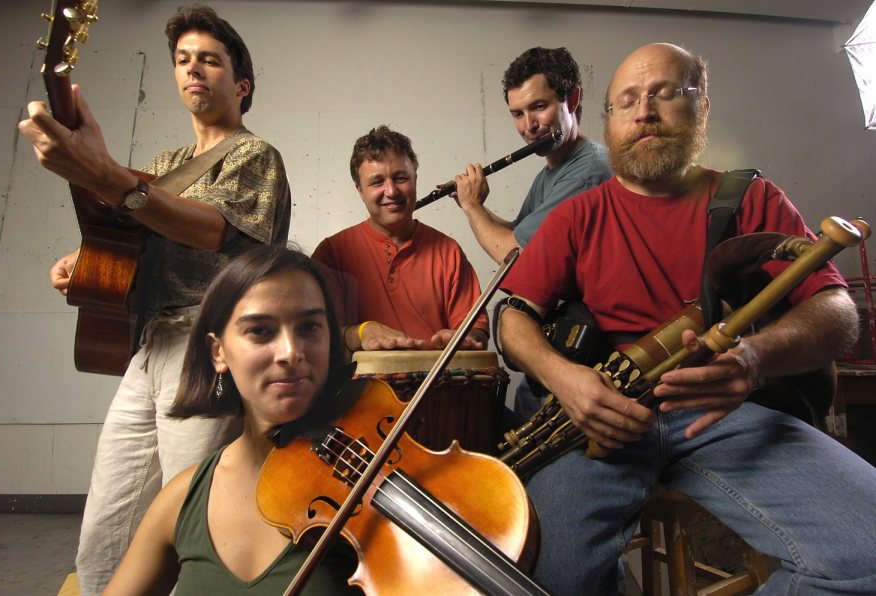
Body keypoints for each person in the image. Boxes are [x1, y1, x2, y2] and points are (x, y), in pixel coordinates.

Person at [499, 42, 876, 594]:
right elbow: (513, 318)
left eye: (665, 94)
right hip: (599, 415)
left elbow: (836, 310)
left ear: (701, 106)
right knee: (541, 581)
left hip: (725, 413)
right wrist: (565, 379)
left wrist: (753, 358)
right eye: (627, 101)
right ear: (608, 121)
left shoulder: (751, 197)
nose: (644, 111)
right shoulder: (578, 213)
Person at [18, 6, 291, 593]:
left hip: (207, 347)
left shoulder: (254, 156)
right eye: (183, 59)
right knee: (106, 524)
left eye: (210, 60)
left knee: (192, 517)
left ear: (240, 85)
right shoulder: (165, 166)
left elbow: (215, 229)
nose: (194, 69)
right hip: (148, 349)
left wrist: (113, 178)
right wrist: (86, 261)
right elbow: (135, 231)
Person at [103, 245, 360, 595]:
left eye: (310, 326)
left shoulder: (366, 490)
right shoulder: (182, 498)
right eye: (260, 331)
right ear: (218, 352)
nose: (290, 352)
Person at [454, 47, 612, 419]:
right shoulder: (552, 172)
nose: (529, 125)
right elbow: (520, 232)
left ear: (572, 98)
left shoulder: (588, 171)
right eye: (517, 113)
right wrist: (471, 202)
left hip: (590, 352)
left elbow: (515, 256)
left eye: (539, 107)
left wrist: (473, 208)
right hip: (559, 341)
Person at [313, 125, 489, 352]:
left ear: (415, 179)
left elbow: (477, 332)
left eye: (400, 178)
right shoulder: (332, 252)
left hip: (437, 386)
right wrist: (360, 332)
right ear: (359, 190)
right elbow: (314, 333)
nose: (392, 191)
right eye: (377, 182)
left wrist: (465, 338)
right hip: (358, 388)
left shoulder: (449, 251)